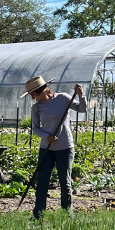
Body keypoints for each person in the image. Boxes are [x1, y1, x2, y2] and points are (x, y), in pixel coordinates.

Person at [22, 75, 87, 218]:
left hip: (65, 148)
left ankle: (67, 214)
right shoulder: (36, 108)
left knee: (65, 183)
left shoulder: (63, 98)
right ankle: (38, 215)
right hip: (46, 149)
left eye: (33, 94)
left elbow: (82, 109)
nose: (32, 98)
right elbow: (35, 128)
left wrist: (81, 95)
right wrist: (47, 137)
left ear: (42, 91)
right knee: (42, 183)